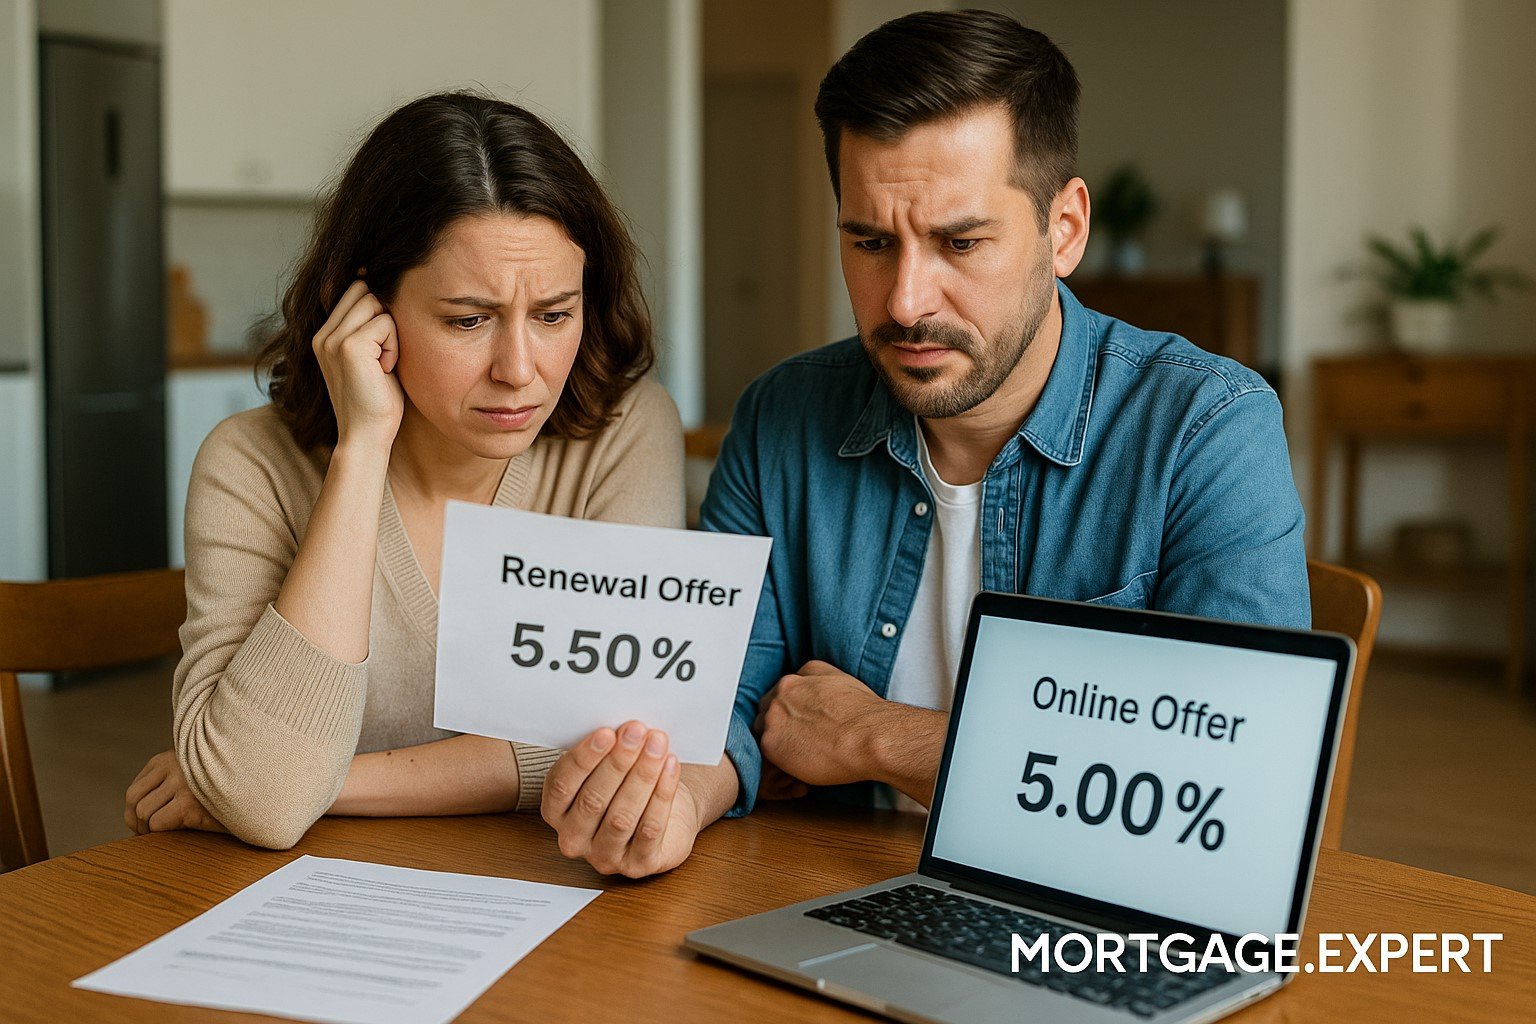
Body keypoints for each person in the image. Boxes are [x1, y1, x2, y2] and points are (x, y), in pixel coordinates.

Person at [542, 9, 1308, 872]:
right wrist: (676, 800)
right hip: (822, 890)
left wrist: (881, 739)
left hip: (1090, 915)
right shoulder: (781, 417)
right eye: (870, 241)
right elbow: (723, 696)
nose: (906, 300)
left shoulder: (1207, 430)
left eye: (960, 241)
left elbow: (1237, 790)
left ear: (1065, 230)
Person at [123, 92, 685, 851]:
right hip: (297, 916)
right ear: (368, 306)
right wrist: (361, 449)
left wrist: (314, 782)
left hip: (552, 910)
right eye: (467, 320)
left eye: (554, 315)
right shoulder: (249, 465)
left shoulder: (624, 430)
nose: (520, 372)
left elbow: (628, 750)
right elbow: (263, 798)